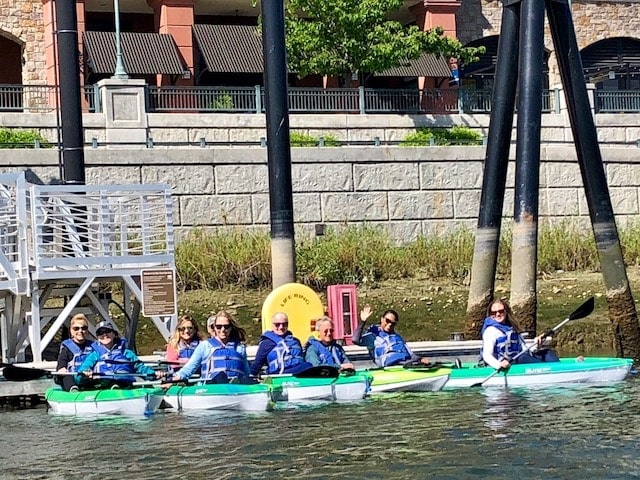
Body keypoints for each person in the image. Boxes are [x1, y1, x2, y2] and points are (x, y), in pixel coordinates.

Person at [75, 320, 164, 390]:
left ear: (114, 334)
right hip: (104, 385)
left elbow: (141, 368)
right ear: (97, 338)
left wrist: (154, 374)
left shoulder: (127, 353)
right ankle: (114, 387)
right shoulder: (94, 355)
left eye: (107, 331)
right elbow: (82, 370)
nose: (104, 335)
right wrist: (85, 372)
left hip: (125, 383)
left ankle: (117, 387)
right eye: (100, 333)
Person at [170, 310, 251, 384]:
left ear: (231, 328)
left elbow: (247, 372)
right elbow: (189, 368)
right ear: (214, 328)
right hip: (211, 388)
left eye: (226, 327)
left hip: (237, 388)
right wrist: (175, 378)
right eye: (219, 327)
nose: (222, 330)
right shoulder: (205, 346)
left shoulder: (240, 347)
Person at [481, 298, 560, 370]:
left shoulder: (512, 329)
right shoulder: (490, 331)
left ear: (506, 312)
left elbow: (524, 350)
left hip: (520, 359)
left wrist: (537, 345)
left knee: (546, 352)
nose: (497, 314)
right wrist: (499, 364)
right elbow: (487, 355)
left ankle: (559, 369)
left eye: (501, 311)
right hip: (506, 363)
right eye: (494, 313)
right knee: (522, 357)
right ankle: (547, 371)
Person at [353, 306, 430, 367]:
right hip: (390, 367)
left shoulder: (398, 337)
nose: (390, 325)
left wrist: (420, 359)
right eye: (388, 321)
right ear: (382, 319)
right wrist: (362, 322)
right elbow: (355, 340)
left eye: (393, 323)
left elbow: (411, 355)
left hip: (406, 364)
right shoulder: (373, 337)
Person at [55, 313, 95, 391]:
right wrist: (62, 369)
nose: (80, 331)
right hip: (71, 377)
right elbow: (61, 364)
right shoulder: (67, 348)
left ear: (87, 330)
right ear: (71, 331)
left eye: (84, 328)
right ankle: (73, 390)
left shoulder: (94, 346)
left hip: (87, 377)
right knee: (67, 376)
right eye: (76, 328)